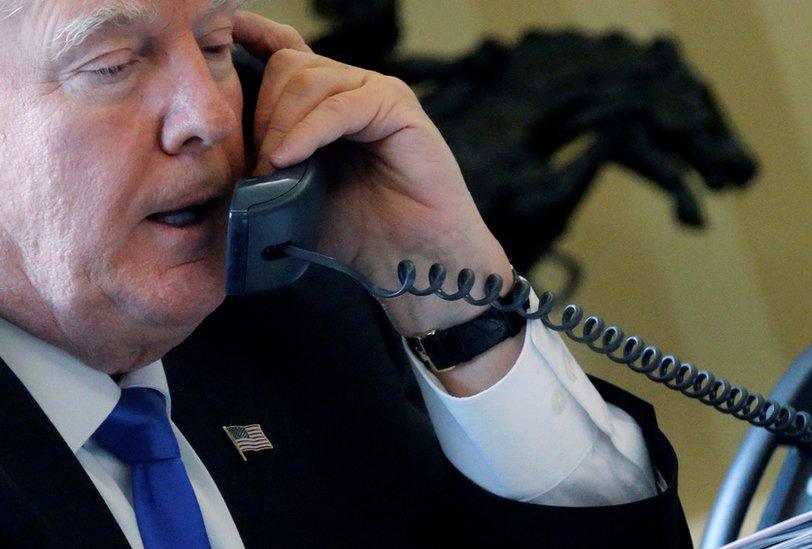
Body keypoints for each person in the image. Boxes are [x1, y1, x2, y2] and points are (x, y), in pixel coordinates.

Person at [0, 1, 691, 546]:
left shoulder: (303, 333)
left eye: (214, 47)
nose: (211, 115)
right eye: (114, 63)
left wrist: (459, 306)